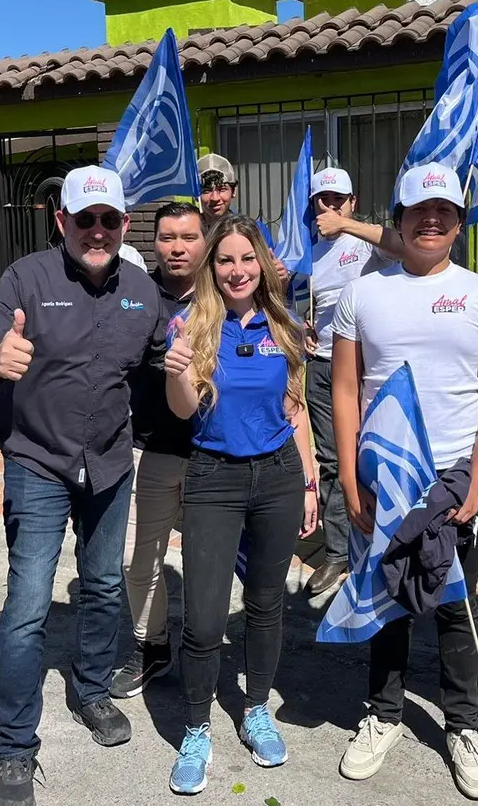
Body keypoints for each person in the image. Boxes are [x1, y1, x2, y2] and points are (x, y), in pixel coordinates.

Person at [0, 167, 167, 806]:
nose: (96, 231)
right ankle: (16, 748)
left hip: (108, 465)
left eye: (108, 220)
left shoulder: (142, 290)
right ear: (61, 221)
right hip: (38, 464)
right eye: (84, 219)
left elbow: (160, 365)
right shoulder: (26, 277)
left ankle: (93, 689)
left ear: (125, 225)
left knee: (103, 587)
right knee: (25, 607)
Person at [331, 165, 478, 801]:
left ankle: (462, 725)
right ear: (399, 217)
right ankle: (382, 714)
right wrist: (353, 482)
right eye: (420, 210)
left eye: (445, 211)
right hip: (383, 473)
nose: (432, 220)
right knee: (386, 597)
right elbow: (344, 391)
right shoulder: (363, 293)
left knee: (452, 604)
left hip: (454, 476)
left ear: (460, 223)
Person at [162, 214, 319, 795]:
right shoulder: (191, 325)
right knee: (203, 617)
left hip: (278, 476)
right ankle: (196, 727)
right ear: (213, 268)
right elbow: (182, 411)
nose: (237, 270)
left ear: (262, 264)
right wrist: (178, 370)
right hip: (213, 479)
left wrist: (308, 478)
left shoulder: (284, 324)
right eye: (225, 260)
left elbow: (294, 406)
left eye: (247, 259)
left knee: (265, 603)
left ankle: (256, 709)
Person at [111, 202, 206, 699]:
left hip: (213, 453)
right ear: (154, 242)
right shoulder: (133, 294)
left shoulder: (225, 292)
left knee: (209, 560)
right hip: (147, 449)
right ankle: (152, 646)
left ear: (203, 240)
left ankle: (205, 648)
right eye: (167, 237)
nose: (177, 247)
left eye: (188, 237)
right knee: (138, 560)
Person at [302, 164, 400, 595]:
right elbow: (292, 303)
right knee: (331, 457)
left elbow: (401, 246)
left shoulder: (364, 241)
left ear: (352, 202)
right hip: (322, 365)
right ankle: (338, 550)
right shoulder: (304, 248)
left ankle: (381, 541)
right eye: (322, 200)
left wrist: (347, 225)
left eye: (337, 199)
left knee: (374, 454)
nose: (328, 207)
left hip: (367, 365)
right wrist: (295, 325)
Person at [197, 152, 288, 283]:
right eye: (206, 190)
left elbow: (271, 281)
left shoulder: (255, 230)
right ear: (196, 194)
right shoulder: (190, 234)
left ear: (233, 191)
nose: (215, 198)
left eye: (222, 189)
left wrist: (281, 278)